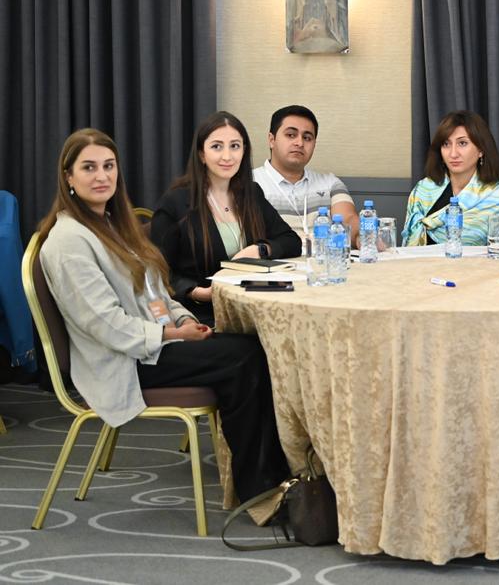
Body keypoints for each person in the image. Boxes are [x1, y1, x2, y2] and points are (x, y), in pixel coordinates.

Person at [39, 128, 290, 502]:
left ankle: (267, 480)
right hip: (122, 360)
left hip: (151, 346)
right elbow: (107, 327)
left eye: (109, 166)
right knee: (244, 357)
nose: (102, 176)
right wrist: (174, 335)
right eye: (89, 167)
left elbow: (155, 291)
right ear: (68, 177)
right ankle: (260, 488)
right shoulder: (68, 241)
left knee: (250, 349)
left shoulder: (112, 224)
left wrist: (184, 320)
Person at [151, 112, 302, 325]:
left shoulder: (251, 193)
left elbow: (291, 241)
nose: (227, 156)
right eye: (216, 147)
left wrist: (260, 250)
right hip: (203, 314)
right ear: (202, 154)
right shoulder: (176, 202)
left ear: (244, 151)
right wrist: (197, 292)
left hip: (255, 307)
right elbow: (157, 270)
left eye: (235, 146)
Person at [252, 105, 360, 246]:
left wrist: (361, 237)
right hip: (277, 259)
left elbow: (348, 219)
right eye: (291, 135)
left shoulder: (330, 183)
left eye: (307, 138)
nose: (300, 143)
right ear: (272, 140)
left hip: (323, 258)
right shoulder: (249, 182)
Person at [401, 110, 499, 247]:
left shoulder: (497, 194)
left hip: (479, 262)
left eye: (462, 143)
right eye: (446, 144)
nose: (453, 154)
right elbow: (407, 250)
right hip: (425, 261)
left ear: (481, 150)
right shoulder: (423, 190)